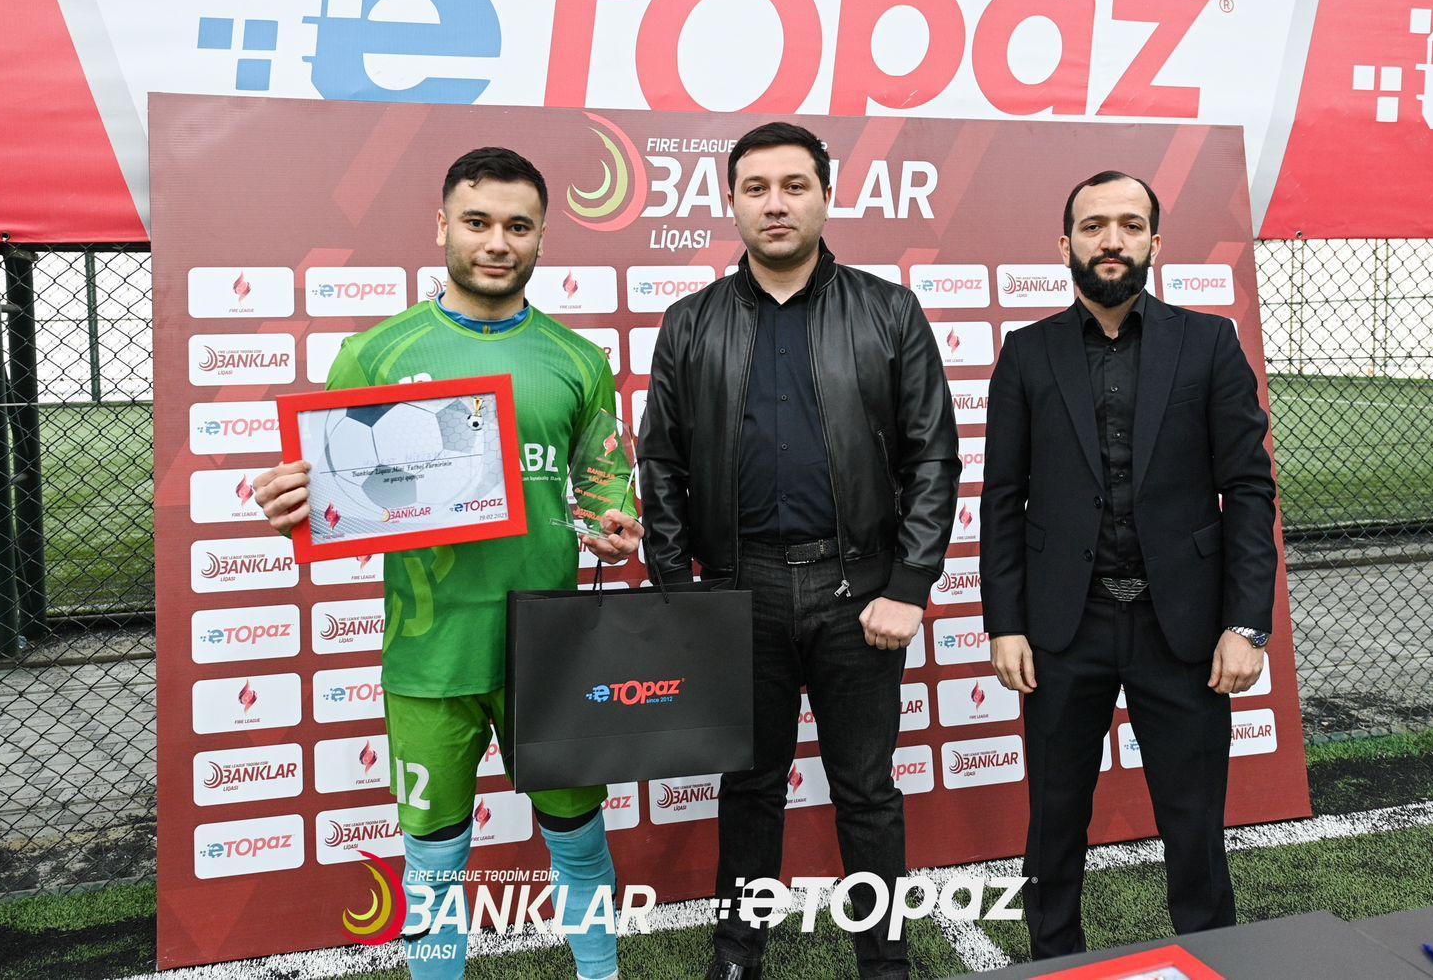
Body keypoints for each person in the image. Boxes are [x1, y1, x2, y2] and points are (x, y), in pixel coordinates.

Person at [251, 147, 643, 980]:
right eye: (477, 222)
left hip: (551, 651)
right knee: (433, 863)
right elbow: (333, 502)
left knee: (579, 843)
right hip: (430, 654)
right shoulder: (375, 354)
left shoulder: (578, 359)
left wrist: (615, 525)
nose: (497, 242)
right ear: (442, 227)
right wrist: (293, 509)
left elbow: (605, 485)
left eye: (518, 226)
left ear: (542, 236)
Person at [638, 122, 959, 980]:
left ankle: (884, 963)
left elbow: (932, 456)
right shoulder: (690, 323)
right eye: (756, 188)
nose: (774, 204)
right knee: (748, 786)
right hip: (736, 592)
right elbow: (660, 465)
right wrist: (679, 591)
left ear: (825, 195)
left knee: (867, 791)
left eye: (793, 186)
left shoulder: (888, 311)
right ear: (731, 202)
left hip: (859, 591)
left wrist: (909, 584)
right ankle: (737, 955)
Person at [981, 171, 1277, 960]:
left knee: (1194, 824)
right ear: (1066, 245)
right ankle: (1055, 961)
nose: (1110, 240)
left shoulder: (1208, 344)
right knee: (1054, 821)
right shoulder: (1027, 353)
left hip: (1181, 628)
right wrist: (1005, 623)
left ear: (1154, 242)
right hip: (1062, 629)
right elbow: (1002, 498)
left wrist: (1246, 624)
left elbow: (1249, 489)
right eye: (1093, 226)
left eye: (1129, 225)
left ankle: (1213, 959)